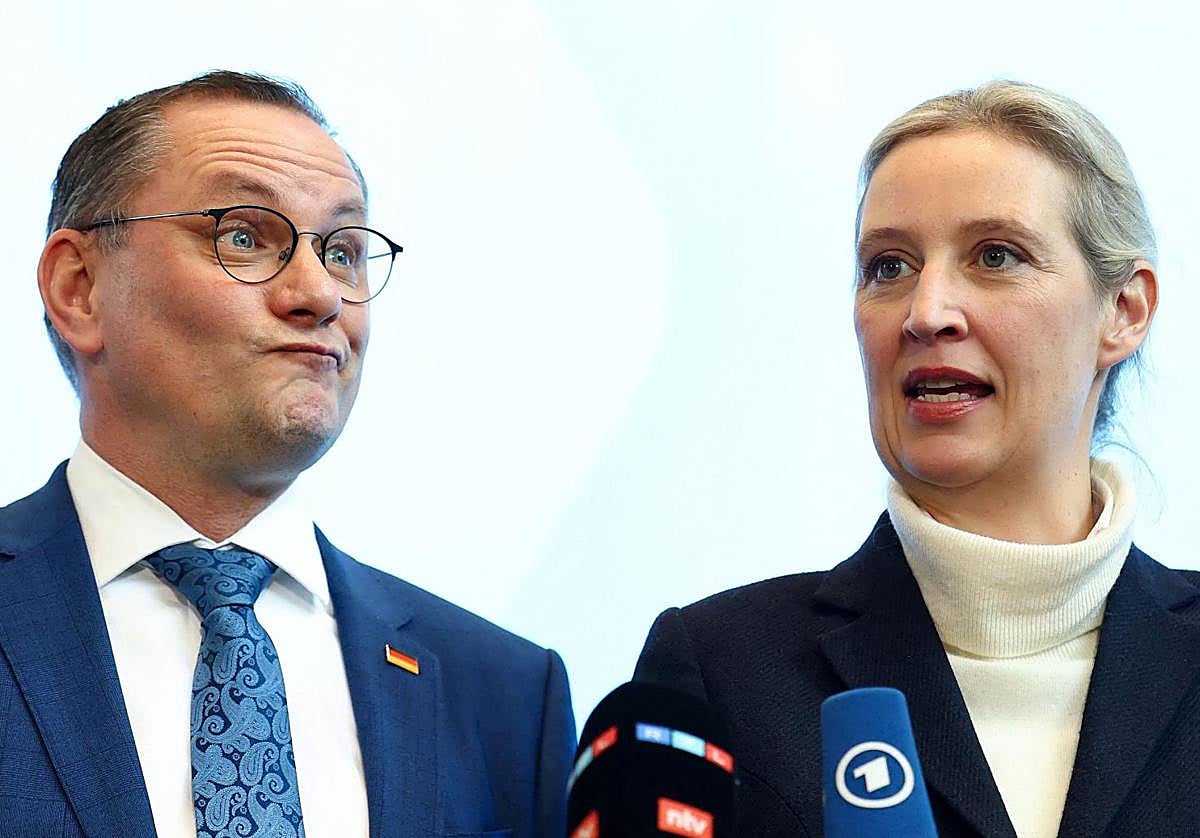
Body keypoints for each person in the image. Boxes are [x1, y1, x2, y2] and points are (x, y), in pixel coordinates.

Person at [0, 71, 574, 838]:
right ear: (80, 289)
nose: (320, 294)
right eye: (243, 237)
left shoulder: (504, 694)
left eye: (342, 251)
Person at [633, 81, 1194, 838]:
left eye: (995, 256)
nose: (926, 313)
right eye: (888, 267)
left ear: (1124, 311)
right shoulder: (721, 669)